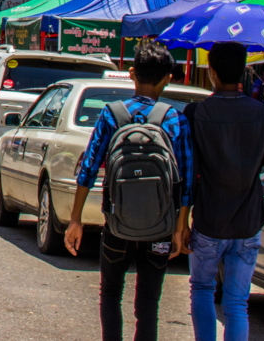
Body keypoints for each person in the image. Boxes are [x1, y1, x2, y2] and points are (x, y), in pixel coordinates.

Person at [64, 39, 192, 341]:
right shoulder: (174, 118)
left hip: (117, 227)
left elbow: (89, 167)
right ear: (168, 79)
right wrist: (179, 227)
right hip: (159, 229)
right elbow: (185, 179)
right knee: (148, 303)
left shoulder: (112, 114)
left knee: (110, 293)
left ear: (131, 73)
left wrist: (75, 219)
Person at [181, 42, 264, 341]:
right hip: (248, 222)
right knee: (237, 303)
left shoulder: (195, 113)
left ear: (212, 72)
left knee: (202, 289)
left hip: (208, 220)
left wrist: (182, 222)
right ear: (243, 70)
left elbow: (188, 174)